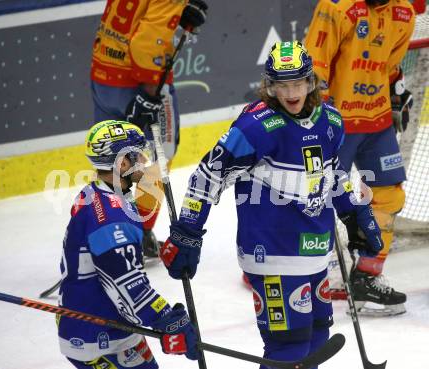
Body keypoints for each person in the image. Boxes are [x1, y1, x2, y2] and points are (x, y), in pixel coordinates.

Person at [158, 41, 383, 367]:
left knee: (317, 338)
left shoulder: (331, 120)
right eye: (281, 85)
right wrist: (187, 230)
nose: (290, 92)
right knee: (288, 348)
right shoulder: (256, 126)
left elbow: (332, 174)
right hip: (272, 252)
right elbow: (208, 175)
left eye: (297, 83)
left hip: (315, 249)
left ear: (310, 82)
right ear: (270, 85)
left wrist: (353, 211)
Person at [57, 120, 199, 369]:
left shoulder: (98, 193)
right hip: (97, 335)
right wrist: (167, 319)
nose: (144, 161)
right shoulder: (110, 221)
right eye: (137, 155)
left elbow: (112, 256)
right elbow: (129, 288)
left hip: (109, 323)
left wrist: (153, 247)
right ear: (122, 163)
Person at [305, 0, 415, 315]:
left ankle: (367, 275)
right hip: (336, 122)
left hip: (376, 121)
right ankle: (306, 274)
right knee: (318, 198)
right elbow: (315, 64)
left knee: (389, 197)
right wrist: (316, 118)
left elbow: (391, 64)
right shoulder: (337, 7)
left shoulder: (403, 13)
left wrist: (396, 93)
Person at [90, 0, 208, 259]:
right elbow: (147, 43)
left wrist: (179, 14)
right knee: (160, 157)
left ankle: (104, 225)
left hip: (103, 75)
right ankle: (139, 232)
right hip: (139, 82)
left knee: (111, 156)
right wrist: (150, 89)